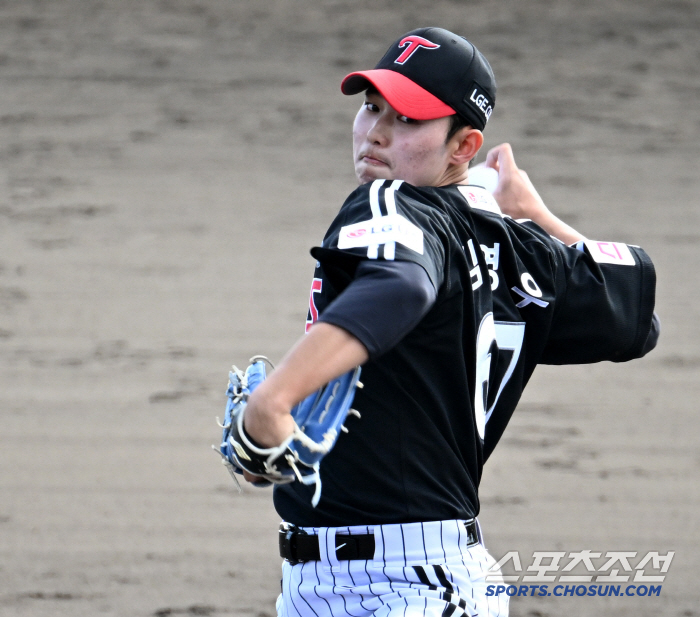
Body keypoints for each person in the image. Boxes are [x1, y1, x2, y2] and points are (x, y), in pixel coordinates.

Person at [236, 27, 659, 617]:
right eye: (370, 106)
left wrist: (273, 401)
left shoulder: (391, 202)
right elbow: (633, 320)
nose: (376, 132)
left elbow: (400, 285)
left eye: (408, 119)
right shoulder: (518, 249)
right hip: (440, 575)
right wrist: (536, 215)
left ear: (465, 146)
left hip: (383, 585)